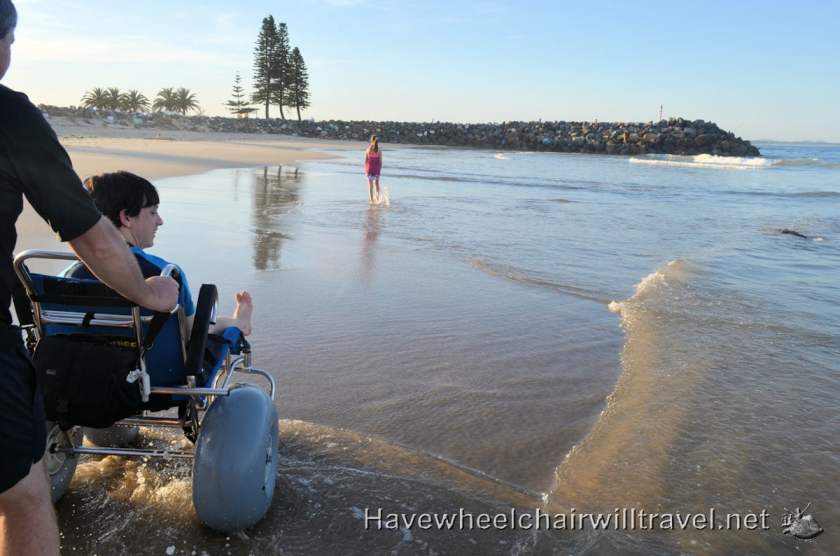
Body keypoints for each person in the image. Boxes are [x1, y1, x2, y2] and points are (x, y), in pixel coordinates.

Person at [0, 2, 178, 555]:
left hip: (65, 356)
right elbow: (91, 235)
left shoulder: (58, 283)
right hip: (128, 370)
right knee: (23, 497)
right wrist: (151, 294)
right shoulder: (9, 117)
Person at [76, 171, 254, 336]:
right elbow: (192, 332)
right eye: (153, 212)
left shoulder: (70, 274)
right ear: (127, 217)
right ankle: (238, 323)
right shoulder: (166, 274)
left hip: (76, 364)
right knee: (200, 325)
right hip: (149, 367)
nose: (160, 221)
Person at [364, 134, 382, 204]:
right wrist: (379, 169)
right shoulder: (379, 150)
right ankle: (377, 198)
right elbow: (380, 161)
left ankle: (371, 200)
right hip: (377, 168)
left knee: (370, 185)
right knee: (377, 184)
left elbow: (366, 161)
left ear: (371, 140)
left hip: (370, 168)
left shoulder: (368, 149)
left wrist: (366, 170)